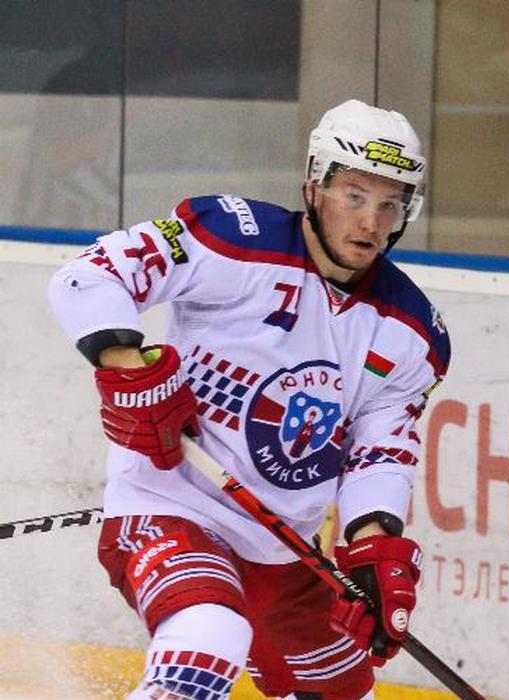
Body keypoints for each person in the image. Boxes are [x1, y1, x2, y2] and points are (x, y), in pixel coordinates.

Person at [49, 99, 450, 700]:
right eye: (354, 196)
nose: (371, 222)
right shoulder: (232, 238)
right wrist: (127, 369)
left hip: (285, 550)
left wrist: (373, 544)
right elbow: (91, 274)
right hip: (171, 507)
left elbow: (380, 452)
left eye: (390, 204)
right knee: (208, 642)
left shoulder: (413, 332)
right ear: (314, 185)